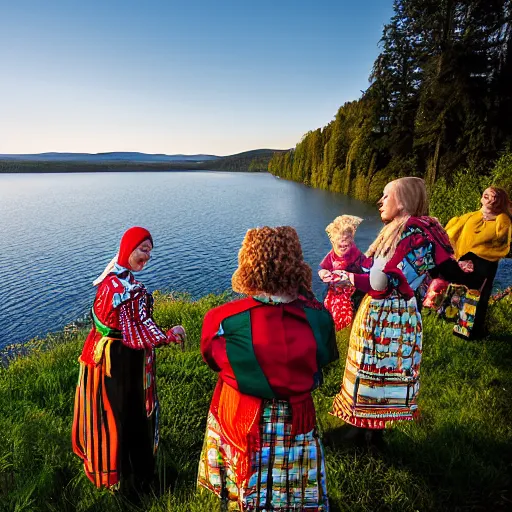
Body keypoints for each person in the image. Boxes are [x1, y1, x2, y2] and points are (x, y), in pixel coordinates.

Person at [330, 177, 482, 442]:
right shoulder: (419, 230)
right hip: (399, 312)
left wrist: (348, 278)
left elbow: (382, 282)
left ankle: (359, 431)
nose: (380, 201)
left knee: (371, 369)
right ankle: (370, 432)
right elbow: (437, 267)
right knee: (382, 372)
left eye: (386, 195)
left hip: (385, 314)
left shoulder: (409, 233)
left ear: (403, 201)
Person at [198, 226, 337, 511]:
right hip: (297, 416)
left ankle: (243, 499)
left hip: (242, 415)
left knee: (245, 469)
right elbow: (325, 358)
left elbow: (212, 358)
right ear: (296, 263)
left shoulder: (223, 319)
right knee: (295, 474)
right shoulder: (319, 317)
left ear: (247, 262)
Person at [72, 226, 186, 491]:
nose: (146, 257)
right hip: (119, 360)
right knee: (127, 414)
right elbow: (138, 331)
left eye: (149, 252)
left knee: (116, 413)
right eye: (143, 250)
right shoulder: (124, 289)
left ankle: (119, 472)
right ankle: (134, 480)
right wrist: (169, 335)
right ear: (128, 248)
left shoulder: (115, 279)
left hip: (108, 357)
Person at [445, 186, 512, 337]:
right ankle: (454, 322)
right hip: (465, 259)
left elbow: (503, 238)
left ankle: (472, 331)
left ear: (499, 202)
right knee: (461, 291)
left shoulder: (503, 219)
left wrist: (499, 217)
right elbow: (452, 231)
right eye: (486, 195)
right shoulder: (471, 216)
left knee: (478, 295)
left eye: (494, 197)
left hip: (485, 262)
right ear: (481, 198)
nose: (489, 198)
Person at [318, 214, 371, 330]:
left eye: (346, 245)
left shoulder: (357, 256)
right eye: (339, 245)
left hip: (354, 292)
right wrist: (323, 273)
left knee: (354, 311)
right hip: (335, 291)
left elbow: (368, 273)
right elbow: (322, 268)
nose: (342, 248)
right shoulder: (331, 255)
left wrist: (352, 279)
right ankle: (334, 325)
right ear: (333, 243)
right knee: (326, 301)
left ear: (351, 241)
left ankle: (350, 325)